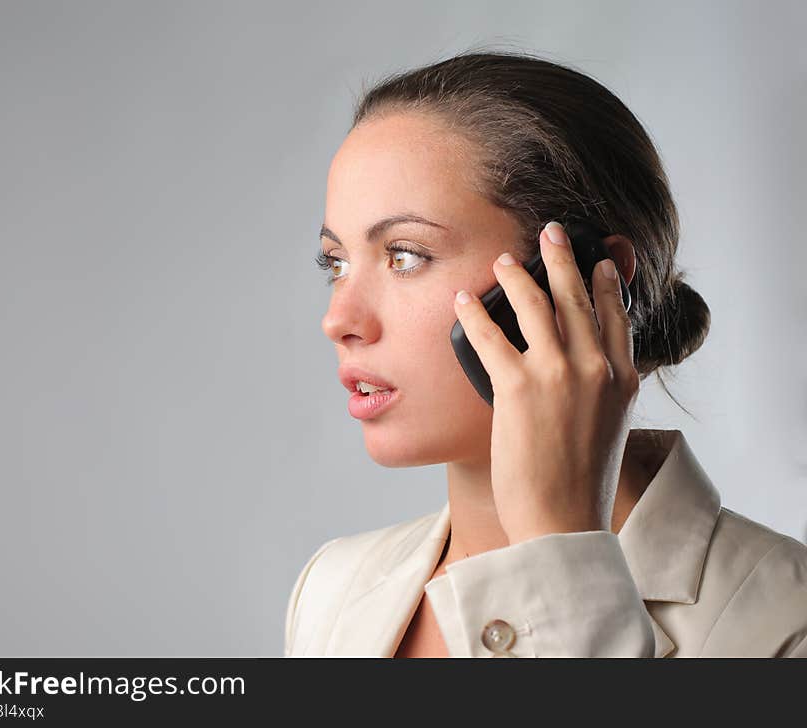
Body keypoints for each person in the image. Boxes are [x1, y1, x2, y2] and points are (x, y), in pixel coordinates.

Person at [285, 48, 807, 657]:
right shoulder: (331, 589)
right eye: (336, 263)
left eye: (406, 256)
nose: (337, 320)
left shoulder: (783, 622)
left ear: (585, 280)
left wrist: (561, 552)